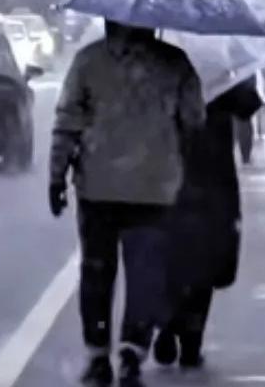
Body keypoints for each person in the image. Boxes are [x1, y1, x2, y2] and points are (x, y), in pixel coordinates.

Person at [49, 19, 206, 386]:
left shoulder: (88, 61)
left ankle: (97, 356)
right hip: (155, 189)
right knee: (145, 274)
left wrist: (57, 175)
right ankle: (132, 353)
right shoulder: (175, 63)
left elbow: (68, 121)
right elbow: (194, 120)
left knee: (96, 272)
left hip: (97, 186)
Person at [153, 76, 262, 370]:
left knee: (169, 258)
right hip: (214, 183)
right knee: (207, 261)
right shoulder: (220, 76)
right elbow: (249, 105)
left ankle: (167, 322)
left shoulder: (160, 68)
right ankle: (192, 342)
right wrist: (239, 79)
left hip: (166, 181)